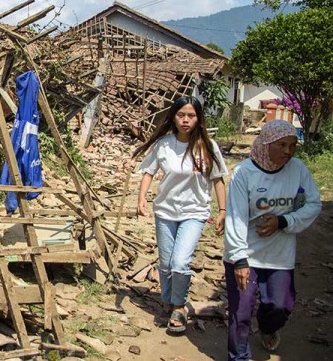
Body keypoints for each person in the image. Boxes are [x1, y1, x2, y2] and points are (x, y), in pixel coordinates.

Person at [223, 119, 321, 360]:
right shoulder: (244, 173)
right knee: (241, 311)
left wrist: (283, 222)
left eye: (292, 145)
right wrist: (240, 260)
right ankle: (238, 356)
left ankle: (268, 328)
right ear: (265, 144)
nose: (288, 151)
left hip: (280, 255)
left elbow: (314, 203)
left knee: (281, 305)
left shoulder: (297, 169)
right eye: (281, 145)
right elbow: (235, 217)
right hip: (246, 253)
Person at [133, 96, 227, 334]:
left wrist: (223, 211)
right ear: (174, 117)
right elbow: (149, 172)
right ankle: (166, 300)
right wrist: (142, 198)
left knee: (180, 261)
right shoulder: (164, 144)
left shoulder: (208, 146)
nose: (186, 120)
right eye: (181, 115)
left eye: (191, 116)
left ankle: (178, 307)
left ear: (198, 118)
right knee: (165, 263)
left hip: (194, 212)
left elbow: (218, 179)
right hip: (165, 211)